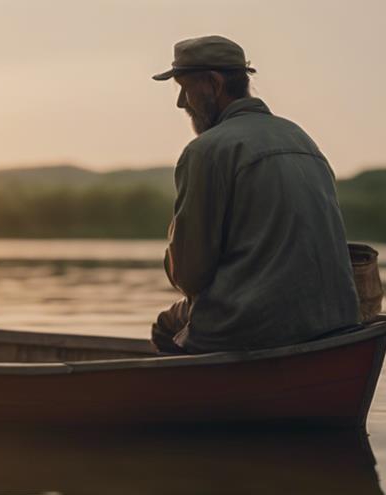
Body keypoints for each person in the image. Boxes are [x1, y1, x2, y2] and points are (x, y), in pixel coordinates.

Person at [150, 35, 360, 353]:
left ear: (213, 83)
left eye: (185, 87)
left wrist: (174, 254)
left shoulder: (206, 151)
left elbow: (190, 276)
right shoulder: (303, 140)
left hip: (254, 328)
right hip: (336, 324)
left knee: (167, 327)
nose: (181, 102)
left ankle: (190, 398)